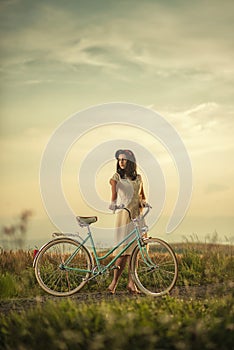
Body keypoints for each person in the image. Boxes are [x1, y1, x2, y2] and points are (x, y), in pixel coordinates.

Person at [108, 149, 147, 294]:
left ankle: (132, 283)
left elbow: (142, 196)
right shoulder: (117, 177)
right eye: (119, 159)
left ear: (130, 161)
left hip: (137, 216)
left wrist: (143, 202)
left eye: (124, 159)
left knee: (135, 251)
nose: (121, 162)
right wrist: (112, 203)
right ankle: (114, 283)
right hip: (124, 216)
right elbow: (114, 194)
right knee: (123, 252)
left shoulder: (139, 178)